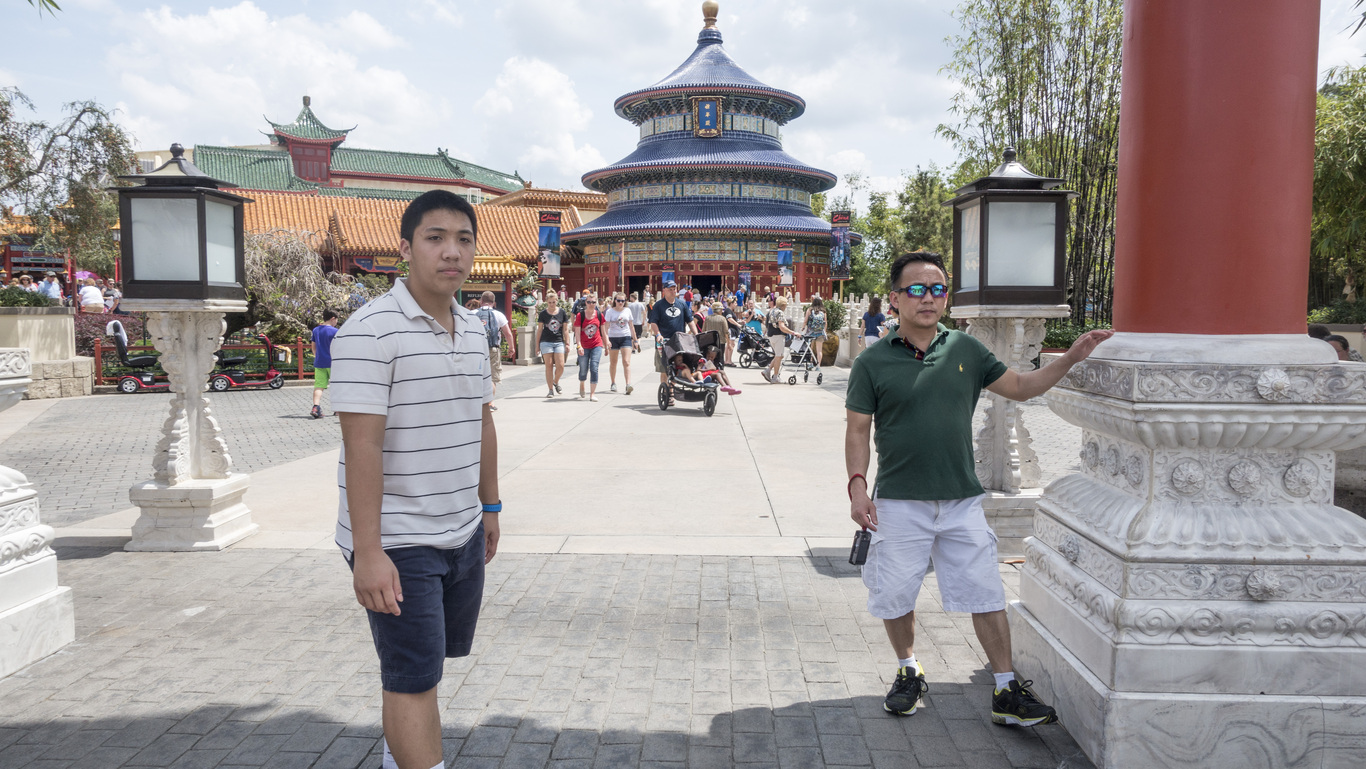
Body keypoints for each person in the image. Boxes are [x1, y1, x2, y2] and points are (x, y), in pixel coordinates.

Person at [845, 250, 1112, 728]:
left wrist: (1072, 357)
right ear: (895, 298)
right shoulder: (872, 361)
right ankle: (908, 670)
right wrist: (858, 487)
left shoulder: (965, 349)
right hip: (899, 502)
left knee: (986, 592)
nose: (929, 298)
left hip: (962, 500)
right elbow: (858, 430)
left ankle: (1006, 689)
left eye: (938, 289)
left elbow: (1021, 386)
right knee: (896, 594)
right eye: (917, 289)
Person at [330, 189, 500, 769]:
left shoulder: (474, 327)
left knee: (429, 666)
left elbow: (481, 419)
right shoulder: (369, 331)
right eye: (435, 238)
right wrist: (369, 551)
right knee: (412, 678)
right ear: (405, 248)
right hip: (400, 540)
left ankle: (397, 754)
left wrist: (490, 507)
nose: (452, 252)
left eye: (464, 239)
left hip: (462, 528)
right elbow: (362, 446)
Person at [648, 280, 698, 407]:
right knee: (664, 369)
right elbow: (653, 322)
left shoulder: (682, 304)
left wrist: (696, 334)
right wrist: (658, 334)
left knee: (678, 368)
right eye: (670, 289)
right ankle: (667, 393)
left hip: (679, 341)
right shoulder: (659, 305)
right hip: (664, 341)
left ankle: (671, 389)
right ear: (664, 290)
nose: (673, 291)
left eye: (674, 289)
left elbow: (690, 320)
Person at [476, 291, 514, 410]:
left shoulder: (472, 314)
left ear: (481, 301)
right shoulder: (498, 315)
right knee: (492, 378)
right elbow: (508, 333)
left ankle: (477, 403)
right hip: (493, 348)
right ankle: (490, 403)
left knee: (477, 376)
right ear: (494, 302)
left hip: (476, 349)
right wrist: (511, 348)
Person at [603, 293, 639, 394]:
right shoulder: (610, 311)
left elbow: (631, 326)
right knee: (613, 362)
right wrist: (606, 340)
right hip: (613, 338)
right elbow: (606, 327)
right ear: (615, 301)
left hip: (625, 337)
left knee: (626, 361)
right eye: (618, 300)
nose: (620, 303)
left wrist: (635, 340)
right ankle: (613, 382)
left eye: (622, 301)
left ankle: (628, 384)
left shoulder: (627, 310)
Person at [307, 310, 339, 419]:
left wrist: (317, 356)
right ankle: (337, 410)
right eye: (336, 320)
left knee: (319, 386)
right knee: (336, 385)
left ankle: (316, 407)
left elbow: (313, 347)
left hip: (319, 362)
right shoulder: (336, 331)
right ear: (333, 318)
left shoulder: (316, 330)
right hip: (334, 363)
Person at [574, 295, 607, 400]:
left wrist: (606, 345)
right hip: (583, 345)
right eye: (589, 302)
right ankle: (582, 383)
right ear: (586, 303)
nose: (591, 304)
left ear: (596, 303)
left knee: (594, 367)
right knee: (583, 368)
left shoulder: (599, 315)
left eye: (593, 302)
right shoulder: (580, 315)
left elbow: (603, 332)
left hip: (596, 344)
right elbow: (577, 333)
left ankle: (592, 394)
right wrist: (579, 346)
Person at [536, 292, 569, 397]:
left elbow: (565, 329)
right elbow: (539, 330)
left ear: (556, 301)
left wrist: (567, 343)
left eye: (553, 302)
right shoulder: (543, 314)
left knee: (561, 366)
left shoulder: (562, 312)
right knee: (549, 365)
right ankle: (550, 389)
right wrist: (537, 346)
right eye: (549, 302)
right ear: (547, 302)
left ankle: (555, 381)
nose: (551, 304)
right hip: (546, 342)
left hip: (559, 341)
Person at [763, 296, 798, 383]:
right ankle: (775, 377)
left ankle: (768, 370)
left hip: (771, 335)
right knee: (779, 356)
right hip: (778, 335)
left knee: (779, 355)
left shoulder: (771, 311)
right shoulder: (780, 313)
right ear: (783, 305)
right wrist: (793, 333)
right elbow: (782, 327)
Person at [806, 297, 828, 370]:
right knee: (819, 350)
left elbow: (805, 320)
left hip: (811, 332)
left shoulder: (810, 310)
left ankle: (811, 363)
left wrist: (803, 328)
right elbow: (825, 322)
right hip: (820, 332)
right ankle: (818, 366)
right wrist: (824, 331)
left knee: (811, 348)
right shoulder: (823, 311)